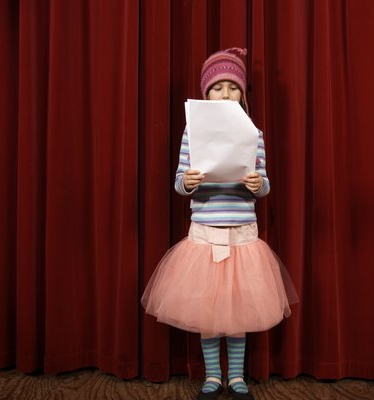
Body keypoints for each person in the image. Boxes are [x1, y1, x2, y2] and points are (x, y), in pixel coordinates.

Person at [141, 48, 298, 400]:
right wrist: (189, 182)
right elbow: (180, 181)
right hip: (204, 237)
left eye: (233, 87)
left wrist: (260, 185)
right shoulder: (192, 134)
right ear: (205, 93)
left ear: (242, 93)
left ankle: (237, 378)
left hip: (243, 238)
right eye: (217, 87)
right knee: (209, 313)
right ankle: (213, 377)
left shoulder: (253, 134)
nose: (225, 94)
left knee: (237, 313)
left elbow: (264, 183)